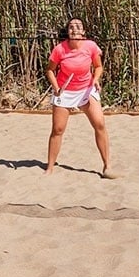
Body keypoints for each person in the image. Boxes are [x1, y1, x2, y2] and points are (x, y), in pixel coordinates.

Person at [44, 17, 116, 178]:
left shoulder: (91, 46)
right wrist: (56, 88)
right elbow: (49, 70)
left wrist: (95, 79)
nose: (74, 29)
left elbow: (98, 66)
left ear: (83, 31)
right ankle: (49, 167)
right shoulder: (59, 49)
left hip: (86, 89)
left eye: (78, 26)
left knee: (99, 124)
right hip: (65, 91)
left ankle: (107, 166)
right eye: (71, 27)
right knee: (58, 129)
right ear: (68, 32)